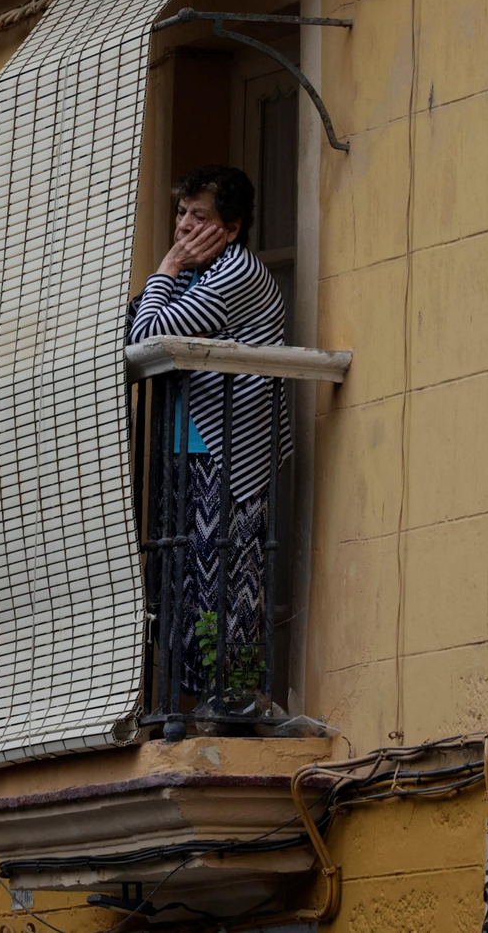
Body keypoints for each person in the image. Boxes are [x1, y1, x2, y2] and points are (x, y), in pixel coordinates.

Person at [128, 164, 293, 699]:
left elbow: (150, 332)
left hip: (228, 456)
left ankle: (236, 699)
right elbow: (134, 329)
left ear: (233, 227)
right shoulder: (197, 277)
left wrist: (167, 267)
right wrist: (171, 275)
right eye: (180, 213)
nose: (183, 226)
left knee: (231, 583)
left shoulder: (235, 272)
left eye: (199, 217)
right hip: (187, 447)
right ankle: (194, 696)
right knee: (184, 583)